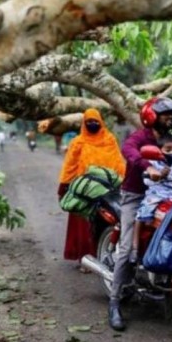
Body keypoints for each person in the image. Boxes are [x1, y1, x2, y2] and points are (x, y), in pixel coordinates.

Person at [108, 96, 172, 331]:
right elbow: (128, 149)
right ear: (151, 115)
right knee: (127, 247)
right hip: (136, 196)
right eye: (165, 114)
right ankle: (115, 302)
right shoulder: (141, 137)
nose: (170, 118)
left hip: (164, 194)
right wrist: (146, 165)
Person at [58, 108, 126, 271]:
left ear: (101, 122)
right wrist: (64, 186)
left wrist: (122, 182)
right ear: (84, 123)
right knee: (83, 227)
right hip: (85, 192)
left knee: (106, 224)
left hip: (107, 191)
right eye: (89, 122)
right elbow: (70, 166)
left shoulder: (109, 140)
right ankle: (85, 259)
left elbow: (118, 163)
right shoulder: (78, 142)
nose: (92, 124)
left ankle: (106, 258)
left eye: (95, 121)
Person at [130, 133, 172, 264]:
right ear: (159, 150)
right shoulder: (152, 162)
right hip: (156, 194)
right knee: (141, 214)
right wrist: (159, 175)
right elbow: (146, 180)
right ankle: (135, 248)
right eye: (168, 150)